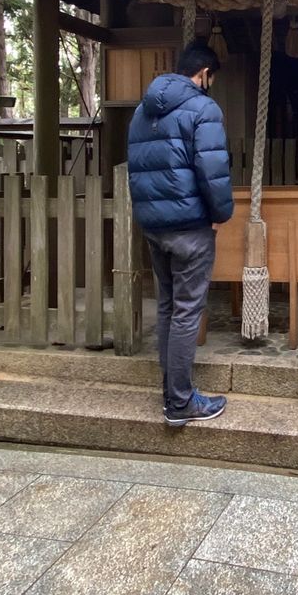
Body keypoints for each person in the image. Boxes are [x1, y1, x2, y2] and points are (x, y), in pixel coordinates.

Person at [127, 41, 234, 427]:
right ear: (204, 73)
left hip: (154, 226)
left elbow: (136, 167)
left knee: (168, 307)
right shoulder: (204, 109)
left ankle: (171, 391)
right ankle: (180, 402)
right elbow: (212, 170)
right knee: (187, 312)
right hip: (191, 227)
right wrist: (221, 214)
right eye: (212, 78)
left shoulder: (142, 111)